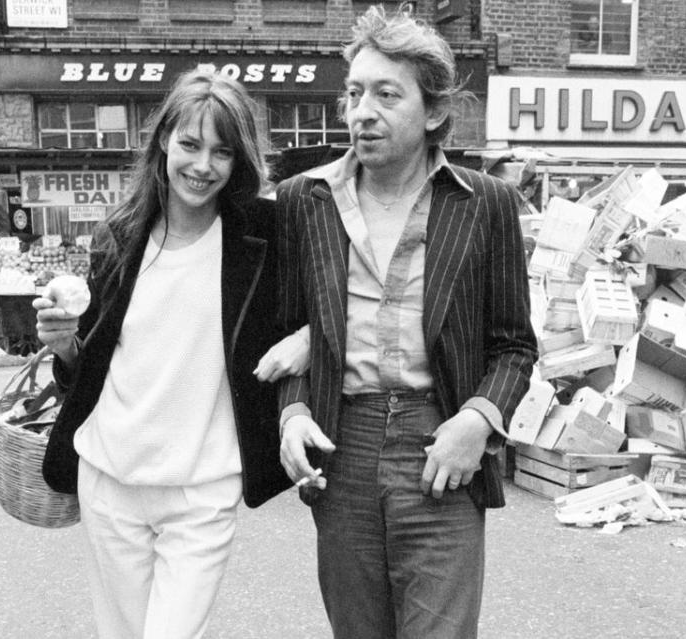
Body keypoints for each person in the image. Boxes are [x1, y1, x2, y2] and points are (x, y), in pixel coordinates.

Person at [274, 5, 538, 638]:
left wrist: (478, 420)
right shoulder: (303, 201)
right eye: (354, 93)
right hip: (343, 444)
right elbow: (285, 334)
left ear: (435, 113)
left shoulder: (486, 203)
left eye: (387, 95)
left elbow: (514, 346)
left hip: (440, 442)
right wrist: (292, 412)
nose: (363, 111)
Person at [35, 69, 297, 639]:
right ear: (162, 142)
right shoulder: (119, 235)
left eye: (222, 152)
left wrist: (304, 341)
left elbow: (318, 309)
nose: (203, 166)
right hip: (110, 480)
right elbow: (96, 362)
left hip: (204, 486)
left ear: (239, 161)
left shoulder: (263, 235)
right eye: (190, 144)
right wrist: (64, 346)